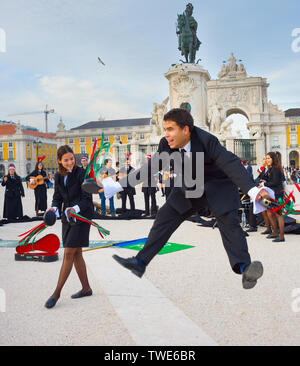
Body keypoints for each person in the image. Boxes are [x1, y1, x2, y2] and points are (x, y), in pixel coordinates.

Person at [101, 108, 271, 290]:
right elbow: (149, 168)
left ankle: (245, 269)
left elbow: (230, 163)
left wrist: (253, 191)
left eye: (170, 129)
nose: (166, 134)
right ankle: (140, 262)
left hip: (217, 186)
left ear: (186, 130)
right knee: (164, 218)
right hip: (190, 185)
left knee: (229, 222)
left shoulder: (207, 140)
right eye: (164, 129)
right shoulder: (166, 145)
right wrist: (117, 186)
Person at [44, 145, 94, 309]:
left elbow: (87, 199)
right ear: (59, 161)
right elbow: (57, 198)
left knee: (68, 253)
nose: (70, 162)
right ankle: (86, 288)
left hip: (81, 215)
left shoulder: (82, 173)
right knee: (76, 253)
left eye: (72, 158)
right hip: (67, 217)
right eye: (66, 160)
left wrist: (75, 209)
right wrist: (53, 209)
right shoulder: (58, 176)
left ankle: (56, 293)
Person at [259, 152, 285, 243]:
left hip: (277, 195)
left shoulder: (276, 169)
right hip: (272, 195)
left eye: (269, 158)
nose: (267, 160)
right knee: (270, 213)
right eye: (266, 158)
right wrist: (265, 168)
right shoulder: (270, 169)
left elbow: (275, 182)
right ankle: (274, 233)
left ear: (273, 159)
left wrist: (264, 183)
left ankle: (281, 236)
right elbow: (262, 177)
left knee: (279, 215)